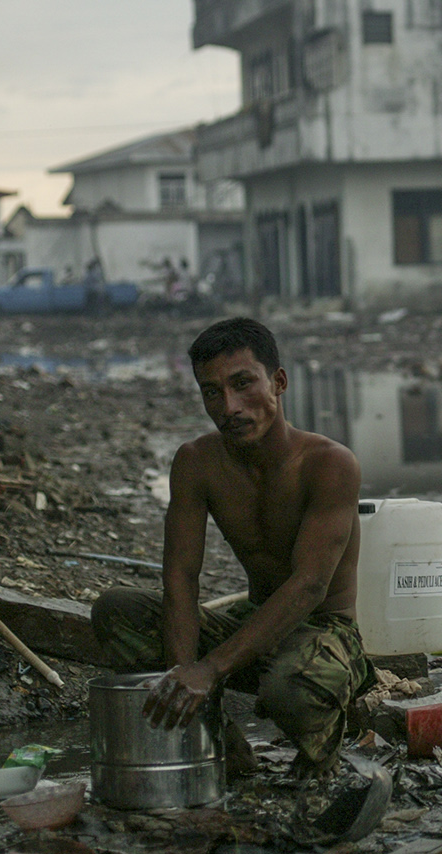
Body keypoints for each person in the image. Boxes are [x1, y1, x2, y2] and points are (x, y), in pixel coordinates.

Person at [90, 317, 370, 773]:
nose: (230, 406)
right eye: (212, 392)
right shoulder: (196, 463)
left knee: (290, 690)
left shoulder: (329, 464)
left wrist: (211, 669)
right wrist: (190, 688)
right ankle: (222, 744)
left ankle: (323, 743)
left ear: (278, 383)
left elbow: (309, 586)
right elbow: (181, 577)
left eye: (243, 384)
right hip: (255, 620)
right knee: (117, 611)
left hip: (324, 633)